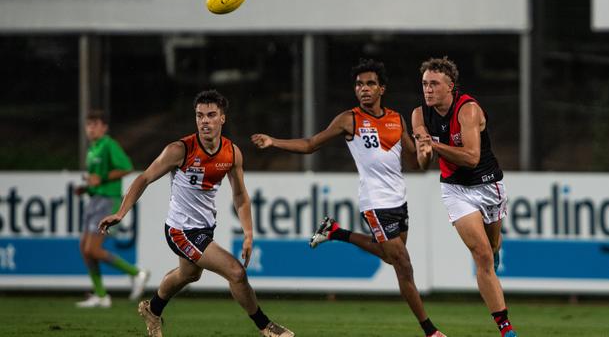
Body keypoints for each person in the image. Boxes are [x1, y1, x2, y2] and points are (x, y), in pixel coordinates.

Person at [251, 58, 446, 337]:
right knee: (404, 265)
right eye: (359, 84)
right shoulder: (349, 119)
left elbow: (415, 163)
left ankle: (335, 232)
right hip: (374, 203)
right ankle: (430, 331)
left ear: (382, 89)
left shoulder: (396, 119)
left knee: (392, 258)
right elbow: (310, 145)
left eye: (370, 84)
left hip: (398, 201)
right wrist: (274, 142)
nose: (364, 89)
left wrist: (427, 152)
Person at [98, 90, 294, 337]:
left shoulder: (232, 153)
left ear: (222, 118)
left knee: (189, 274)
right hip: (181, 230)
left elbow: (240, 196)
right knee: (236, 272)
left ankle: (153, 310)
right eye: (200, 115)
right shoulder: (179, 150)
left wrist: (248, 232)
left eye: (211, 115)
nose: (205, 121)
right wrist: (121, 212)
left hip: (204, 228)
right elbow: (144, 178)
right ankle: (266, 327)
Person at [411, 56, 518, 337]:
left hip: (487, 185)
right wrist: (423, 153)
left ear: (451, 87)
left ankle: (495, 251)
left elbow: (471, 158)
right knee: (481, 255)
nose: (428, 89)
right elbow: (423, 164)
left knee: (492, 246)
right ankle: (506, 329)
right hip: (455, 189)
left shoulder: (468, 110)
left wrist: (432, 144)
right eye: (425, 84)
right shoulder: (419, 115)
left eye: (434, 84)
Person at [75, 110, 149, 308]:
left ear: (104, 127)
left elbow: (127, 167)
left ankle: (137, 273)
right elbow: (96, 178)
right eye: (88, 124)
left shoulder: (108, 144)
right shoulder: (93, 148)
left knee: (93, 249)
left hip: (108, 199)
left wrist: (104, 178)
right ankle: (101, 295)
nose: (91, 128)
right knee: (84, 249)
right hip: (95, 198)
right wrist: (87, 187)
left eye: (95, 124)